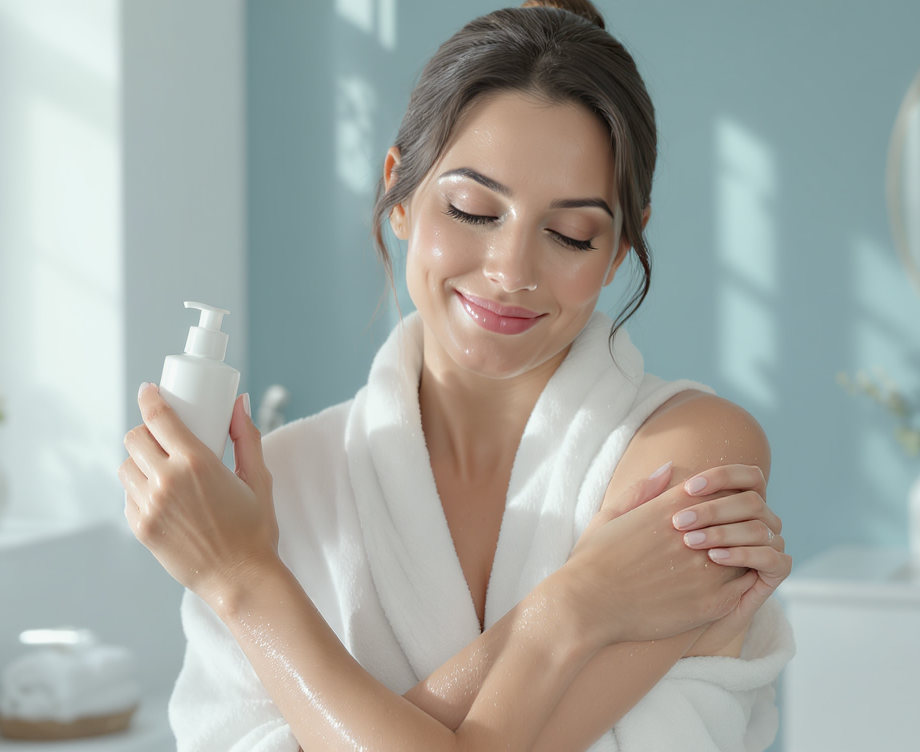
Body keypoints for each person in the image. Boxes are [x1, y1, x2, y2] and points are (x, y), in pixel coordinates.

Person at [118, 1, 795, 750]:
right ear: (400, 194)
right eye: (473, 210)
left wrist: (242, 583)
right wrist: (572, 607)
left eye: (571, 233)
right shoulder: (282, 489)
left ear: (621, 247)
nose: (510, 271)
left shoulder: (692, 456)